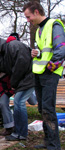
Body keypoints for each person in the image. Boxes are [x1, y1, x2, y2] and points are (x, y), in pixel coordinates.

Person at [23, 1, 65, 149]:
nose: (28, 20)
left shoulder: (55, 25)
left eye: (28, 17)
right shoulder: (40, 30)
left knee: (48, 109)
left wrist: (50, 66)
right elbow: (46, 51)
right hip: (40, 74)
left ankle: (54, 145)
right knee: (42, 109)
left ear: (36, 12)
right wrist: (36, 53)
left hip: (50, 74)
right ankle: (48, 141)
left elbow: (60, 50)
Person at [0, 32, 35, 141]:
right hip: (23, 81)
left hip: (28, 78)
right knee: (18, 102)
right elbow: (6, 68)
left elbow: (21, 65)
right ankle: (19, 132)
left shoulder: (13, 45)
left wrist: (14, 82)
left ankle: (21, 133)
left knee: (19, 102)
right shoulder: (3, 53)